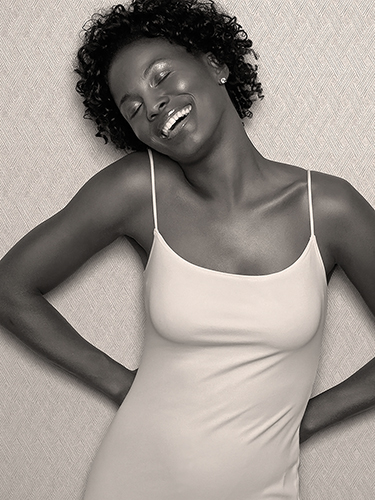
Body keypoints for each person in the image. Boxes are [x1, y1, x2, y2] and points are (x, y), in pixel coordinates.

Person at [0, 0, 374, 498]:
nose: (151, 104)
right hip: (131, 480)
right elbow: (10, 287)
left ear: (215, 64)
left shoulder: (328, 209)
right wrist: (120, 385)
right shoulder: (138, 190)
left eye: (160, 76)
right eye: (131, 107)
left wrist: (306, 421)